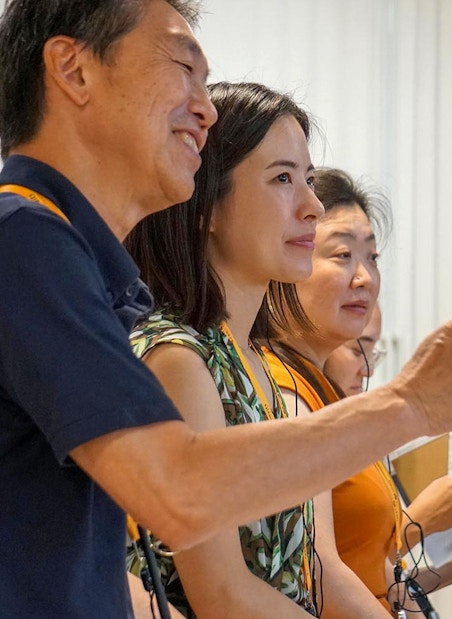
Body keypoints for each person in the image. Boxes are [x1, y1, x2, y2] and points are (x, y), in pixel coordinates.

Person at [2, 1, 452, 617]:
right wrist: (410, 404)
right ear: (73, 68)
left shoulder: (82, 267)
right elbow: (180, 495)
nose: (205, 107)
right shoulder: (26, 240)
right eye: (182, 66)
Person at [126, 80, 325, 617]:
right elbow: (222, 595)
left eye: (308, 179)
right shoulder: (177, 359)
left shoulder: (257, 360)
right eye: (283, 179)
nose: (314, 207)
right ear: (207, 205)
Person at [264, 168, 452, 617]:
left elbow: (380, 574)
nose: (365, 278)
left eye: (372, 257)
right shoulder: (280, 391)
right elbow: (322, 573)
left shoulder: (325, 395)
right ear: (287, 258)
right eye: (342, 255)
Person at [325, 302, 452, 607]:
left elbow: (387, 585)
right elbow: (325, 580)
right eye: (356, 350)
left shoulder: (358, 437)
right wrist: (419, 521)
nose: (369, 369)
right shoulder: (309, 431)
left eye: (373, 353)